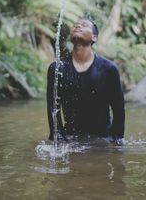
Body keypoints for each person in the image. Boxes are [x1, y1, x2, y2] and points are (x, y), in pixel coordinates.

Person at [46, 17, 125, 145]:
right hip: (71, 138)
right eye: (75, 25)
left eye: (84, 25)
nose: (77, 26)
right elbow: (53, 108)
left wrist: (116, 140)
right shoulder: (57, 68)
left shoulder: (108, 69)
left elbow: (118, 109)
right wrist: (58, 139)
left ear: (94, 37)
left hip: (102, 138)